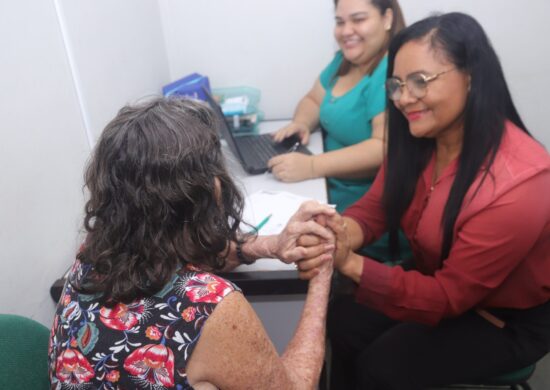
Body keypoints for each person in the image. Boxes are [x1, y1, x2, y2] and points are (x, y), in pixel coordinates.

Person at [297, 12, 550, 389]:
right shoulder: (420, 138)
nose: (404, 98)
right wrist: (338, 233)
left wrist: (348, 264)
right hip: (438, 277)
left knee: (383, 365)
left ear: (472, 78)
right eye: (397, 85)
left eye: (420, 81)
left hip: (503, 317)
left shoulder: (521, 184)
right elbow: (377, 206)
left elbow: (448, 297)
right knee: (342, 320)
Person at [48, 97, 338, 389]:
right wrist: (322, 271)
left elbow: (179, 247)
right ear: (211, 191)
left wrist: (271, 245)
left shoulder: (92, 254)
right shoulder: (210, 307)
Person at [269, 0, 408, 263]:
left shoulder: (390, 71)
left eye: (358, 19)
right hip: (325, 190)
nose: (346, 31)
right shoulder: (345, 61)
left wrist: (311, 167)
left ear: (387, 18)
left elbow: (383, 147)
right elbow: (313, 100)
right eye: (340, 22)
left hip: (363, 217)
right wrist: (301, 122)